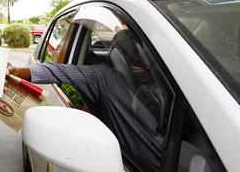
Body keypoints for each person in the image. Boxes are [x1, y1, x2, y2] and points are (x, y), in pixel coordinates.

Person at [9, 30, 165, 172]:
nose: (143, 62)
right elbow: (60, 71)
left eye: (144, 56)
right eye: (134, 56)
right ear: (118, 57)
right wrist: (17, 71)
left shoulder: (168, 81)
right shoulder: (105, 78)